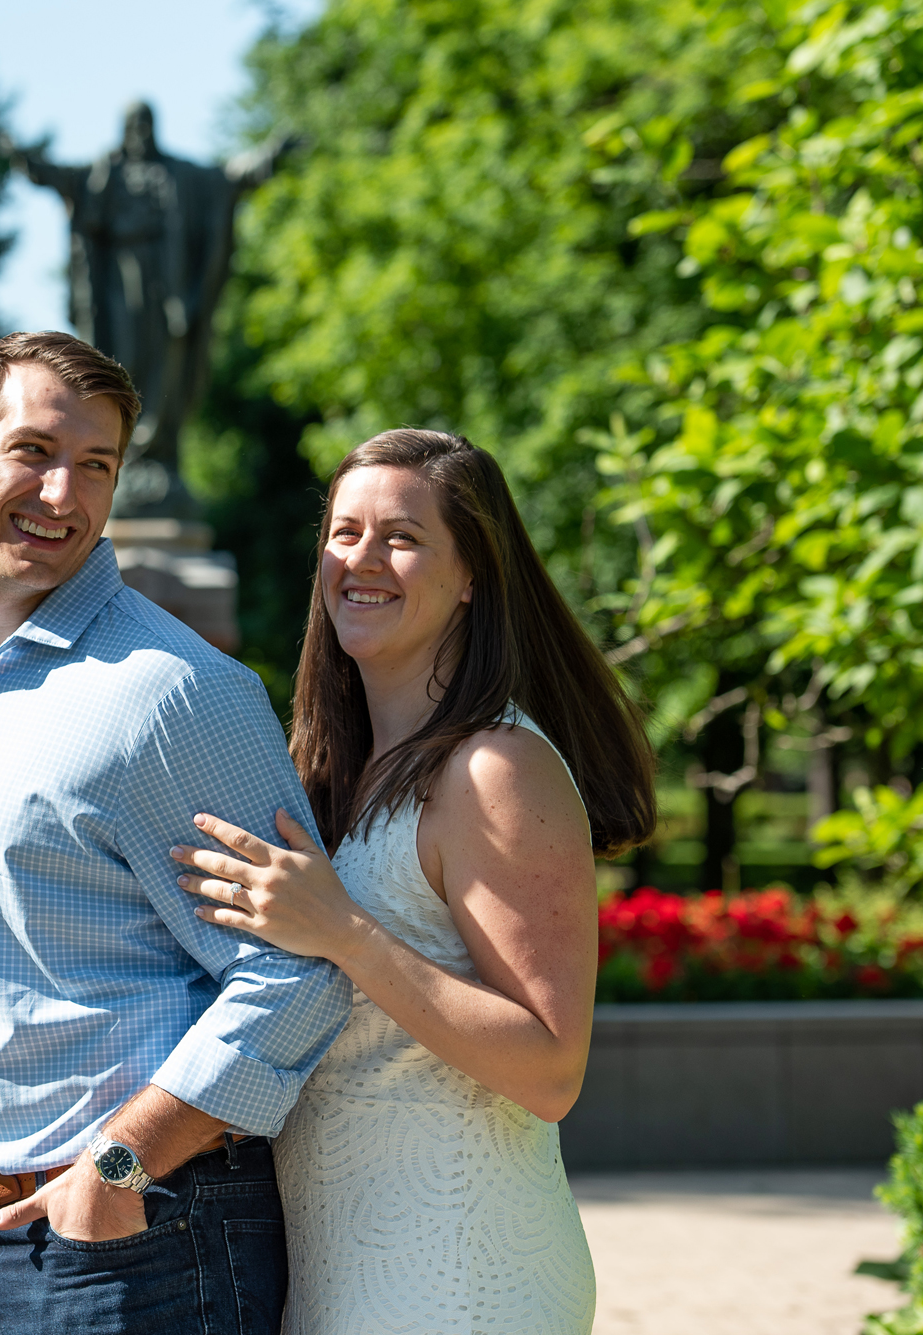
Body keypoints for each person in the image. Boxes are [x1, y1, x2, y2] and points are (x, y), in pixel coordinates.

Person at [0, 331, 352, 1335]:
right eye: (32, 451)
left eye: (95, 465)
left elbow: (299, 967)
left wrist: (114, 1170)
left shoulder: (175, 693)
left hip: (138, 1242)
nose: (62, 496)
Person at [171, 429, 657, 1334]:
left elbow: (552, 1068)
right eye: (344, 531)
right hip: (330, 1265)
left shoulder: (495, 768)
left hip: (463, 1268)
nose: (363, 558)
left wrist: (344, 929)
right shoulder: (326, 765)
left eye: (402, 536)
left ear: (472, 573)